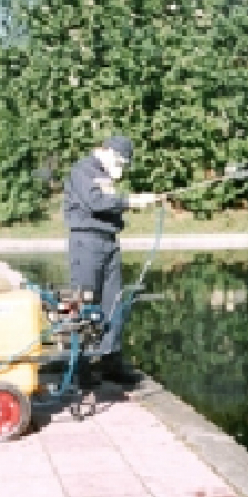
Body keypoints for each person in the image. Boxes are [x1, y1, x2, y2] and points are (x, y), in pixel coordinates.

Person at [63, 135, 158, 384]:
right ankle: (80, 365)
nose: (121, 167)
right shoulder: (82, 170)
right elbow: (96, 202)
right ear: (104, 150)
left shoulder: (106, 174)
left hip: (109, 242)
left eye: (125, 164)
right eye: (119, 160)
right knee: (84, 302)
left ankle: (110, 360)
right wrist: (131, 201)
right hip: (87, 243)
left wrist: (133, 200)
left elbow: (110, 204)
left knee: (113, 303)